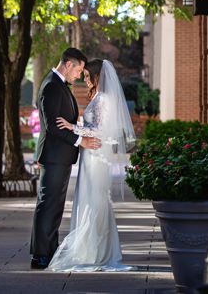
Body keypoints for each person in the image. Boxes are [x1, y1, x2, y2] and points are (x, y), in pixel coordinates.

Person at [47, 58, 137, 272]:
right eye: (84, 75)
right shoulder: (98, 97)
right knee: (89, 199)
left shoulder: (104, 99)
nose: (85, 80)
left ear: (98, 76)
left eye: (88, 76)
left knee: (94, 200)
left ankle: (95, 252)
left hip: (97, 156)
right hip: (90, 156)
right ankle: (91, 250)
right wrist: (78, 126)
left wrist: (73, 127)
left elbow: (101, 131)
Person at [29, 48, 102, 270]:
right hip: (53, 156)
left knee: (54, 205)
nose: (79, 75)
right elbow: (52, 127)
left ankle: (49, 251)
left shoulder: (59, 85)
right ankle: (40, 255)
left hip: (59, 157)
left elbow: (63, 123)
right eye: (79, 70)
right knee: (48, 204)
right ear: (68, 64)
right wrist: (81, 141)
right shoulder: (52, 86)